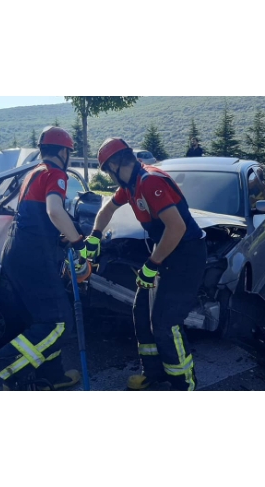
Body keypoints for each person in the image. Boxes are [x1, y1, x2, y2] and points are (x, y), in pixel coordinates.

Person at [84, 137, 207, 391]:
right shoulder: (131, 185)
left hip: (186, 255)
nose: (109, 177)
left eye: (108, 171)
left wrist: (152, 264)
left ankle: (184, 384)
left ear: (116, 165)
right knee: (141, 312)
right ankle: (153, 372)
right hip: (163, 254)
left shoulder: (150, 182)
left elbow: (176, 227)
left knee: (165, 323)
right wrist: (95, 235)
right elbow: (106, 210)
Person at [0, 126, 85, 391]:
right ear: (63, 152)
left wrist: (57, 236)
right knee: (59, 323)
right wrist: (77, 240)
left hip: (16, 256)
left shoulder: (33, 173)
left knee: (44, 320)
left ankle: (52, 374)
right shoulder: (56, 174)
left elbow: (32, 215)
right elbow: (54, 211)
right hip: (36, 261)